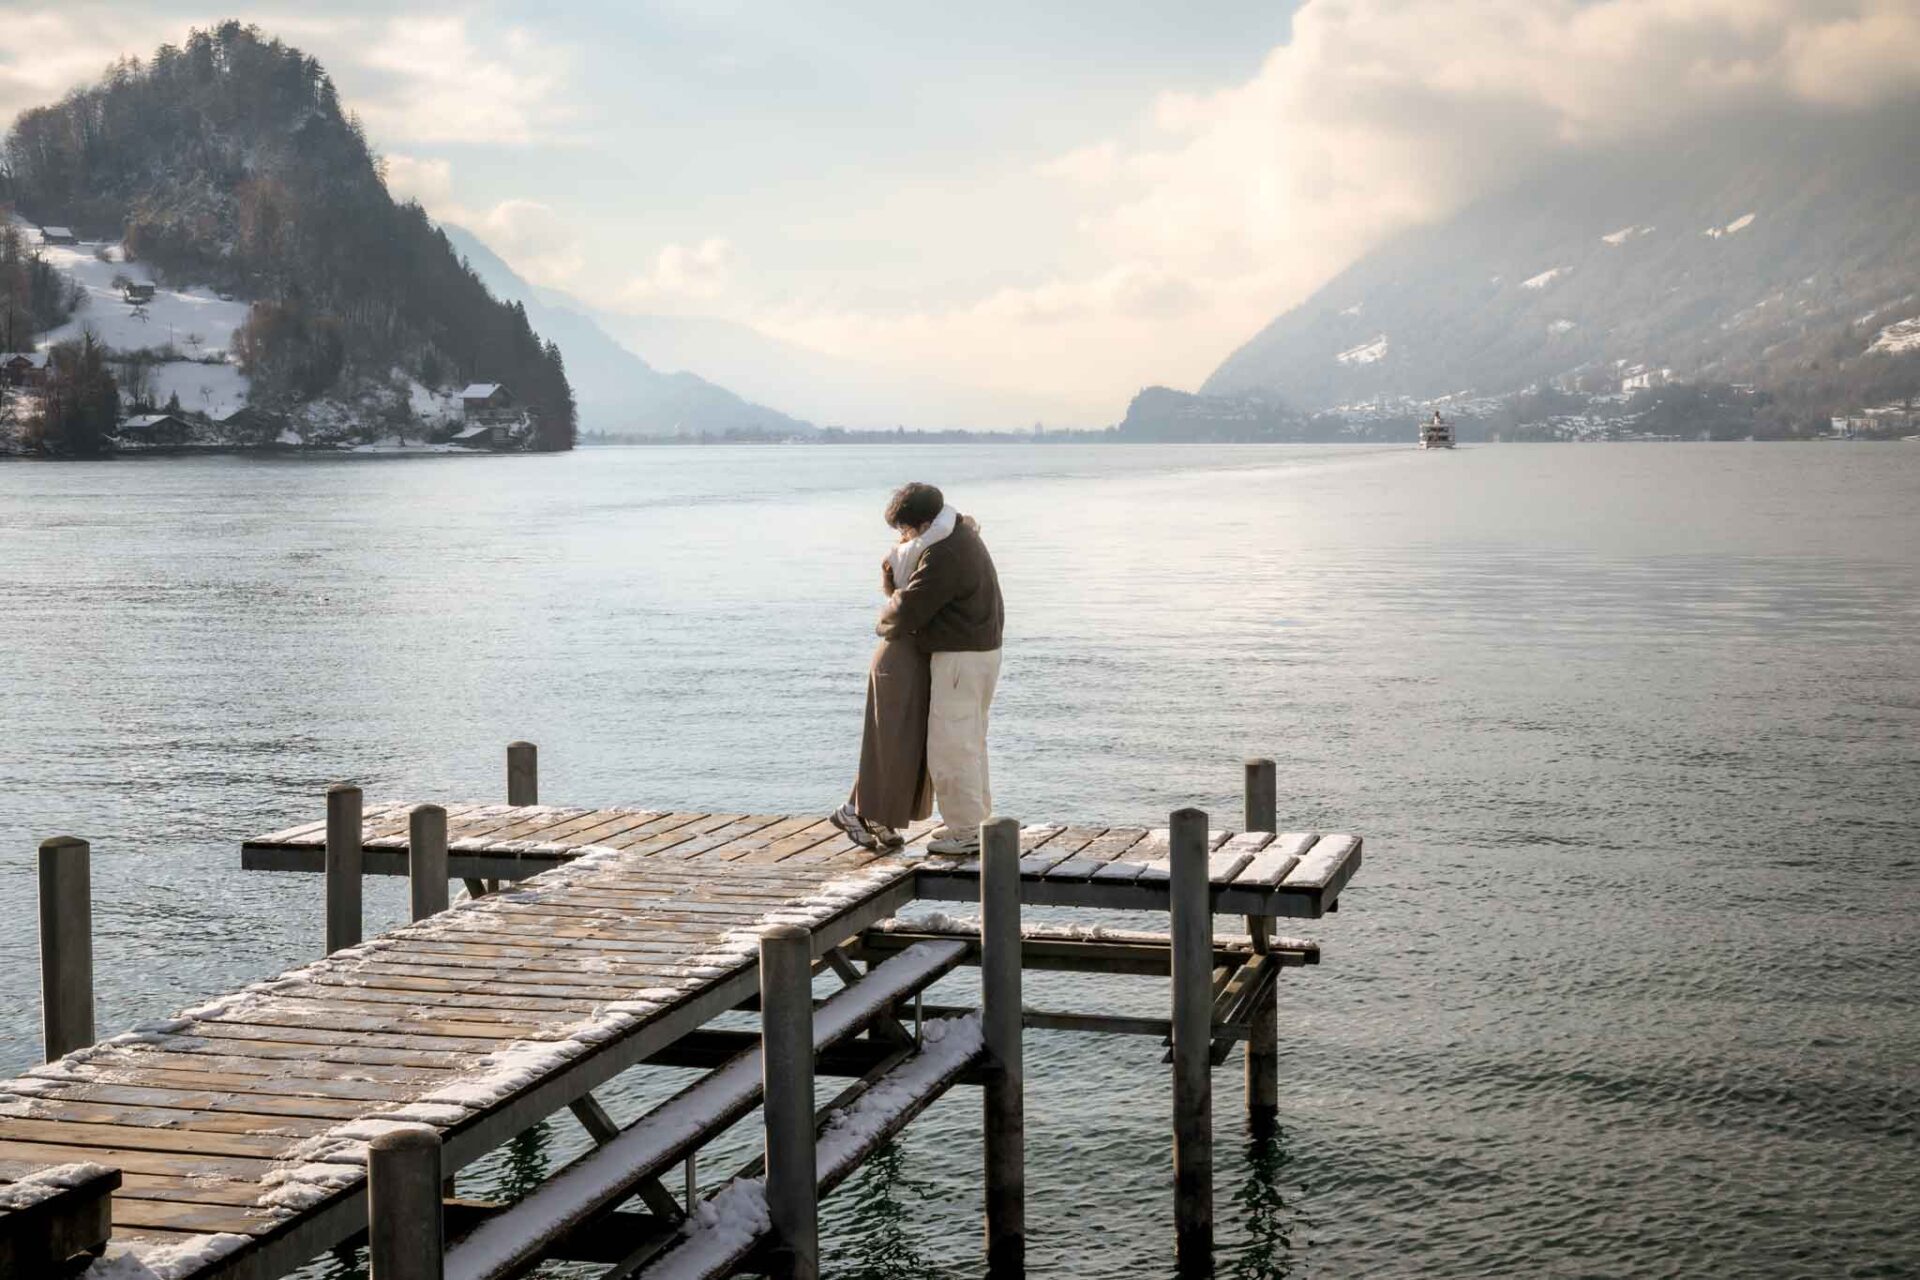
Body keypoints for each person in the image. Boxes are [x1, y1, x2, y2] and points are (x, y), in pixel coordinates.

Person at [882, 481, 1004, 856]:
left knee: (951, 747)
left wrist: (884, 618)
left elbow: (908, 609)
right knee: (970, 741)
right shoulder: (962, 533)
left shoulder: (943, 552)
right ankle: (977, 824)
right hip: (981, 652)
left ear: (921, 524)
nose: (903, 537)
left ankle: (965, 831)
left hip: (959, 657)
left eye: (904, 529)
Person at [829, 488, 947, 850]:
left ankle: (876, 816)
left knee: (900, 744)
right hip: (899, 658)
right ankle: (853, 809)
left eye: (904, 527)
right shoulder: (908, 552)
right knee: (891, 743)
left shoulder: (916, 549)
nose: (904, 534)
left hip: (907, 656)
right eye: (903, 529)